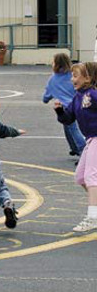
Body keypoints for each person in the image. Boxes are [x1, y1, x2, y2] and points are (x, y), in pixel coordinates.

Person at [54, 62, 97, 232]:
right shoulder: (78, 97)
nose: (73, 79)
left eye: (76, 75)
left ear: (88, 78)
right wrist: (59, 111)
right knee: (80, 177)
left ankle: (93, 216)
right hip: (90, 140)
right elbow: (68, 119)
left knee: (91, 175)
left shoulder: (92, 95)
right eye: (72, 75)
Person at [43, 53, 86, 157]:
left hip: (66, 108)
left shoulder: (53, 80)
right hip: (79, 104)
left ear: (56, 64)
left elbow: (45, 98)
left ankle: (83, 150)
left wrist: (48, 97)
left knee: (72, 128)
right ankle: (74, 148)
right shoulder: (73, 76)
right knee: (68, 127)